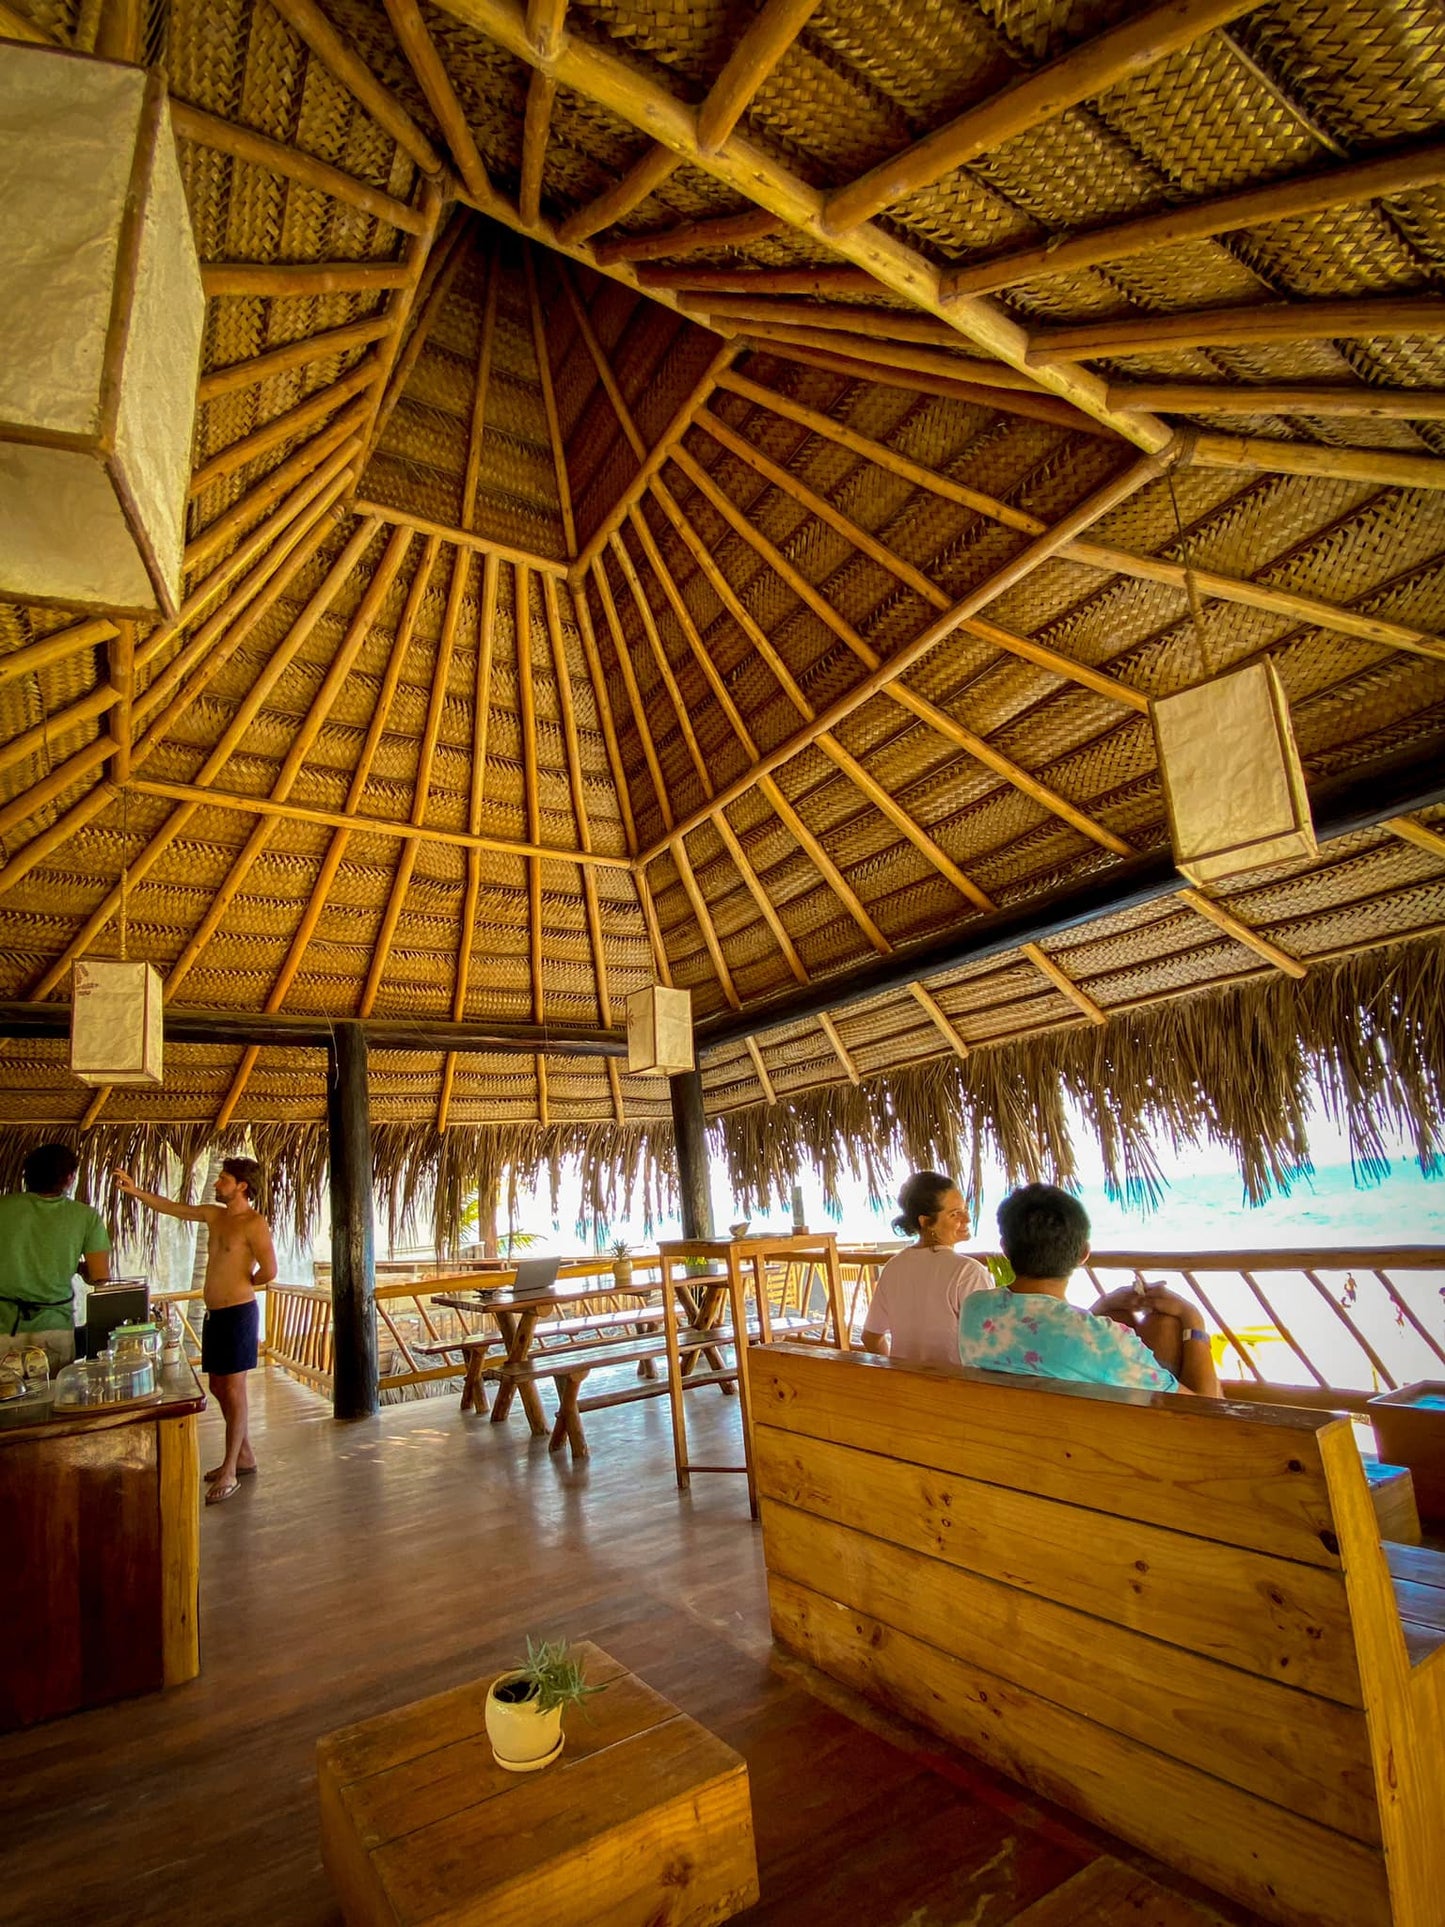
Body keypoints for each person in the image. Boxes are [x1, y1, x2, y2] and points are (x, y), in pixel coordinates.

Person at [113, 1157, 277, 1502]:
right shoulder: (214, 1216)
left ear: (241, 1186)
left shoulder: (254, 1223)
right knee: (218, 1384)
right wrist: (135, 1191)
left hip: (238, 1313)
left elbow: (270, 1270)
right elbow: (173, 1208)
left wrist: (244, 1283)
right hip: (215, 1315)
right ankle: (243, 1455)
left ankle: (231, 1468)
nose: (217, 1184)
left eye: (223, 1179)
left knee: (234, 1389)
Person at [959, 1183, 1221, 1397]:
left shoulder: (976, 1309)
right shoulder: (1106, 1343)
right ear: (1084, 1254)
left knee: (1145, 1324)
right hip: (1097, 1456)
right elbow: (1209, 1412)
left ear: (1005, 1248)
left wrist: (1103, 1308)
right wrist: (1192, 1318)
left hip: (1009, 1447)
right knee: (1166, 1324)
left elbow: (1049, 1334)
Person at [861, 1172, 991, 1366]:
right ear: (926, 1221)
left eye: (965, 1209)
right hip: (955, 1390)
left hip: (907, 1390)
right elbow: (990, 1346)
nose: (967, 1219)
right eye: (954, 1214)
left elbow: (871, 1337)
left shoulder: (894, 1267)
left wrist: (895, 1371)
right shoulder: (968, 1272)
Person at [0, 1143, 111, 1368]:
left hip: (3, 1327)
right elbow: (100, 1277)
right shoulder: (85, 1217)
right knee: (54, 1400)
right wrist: (78, 1268)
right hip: (55, 1328)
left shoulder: (3, 1207)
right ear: (69, 1178)